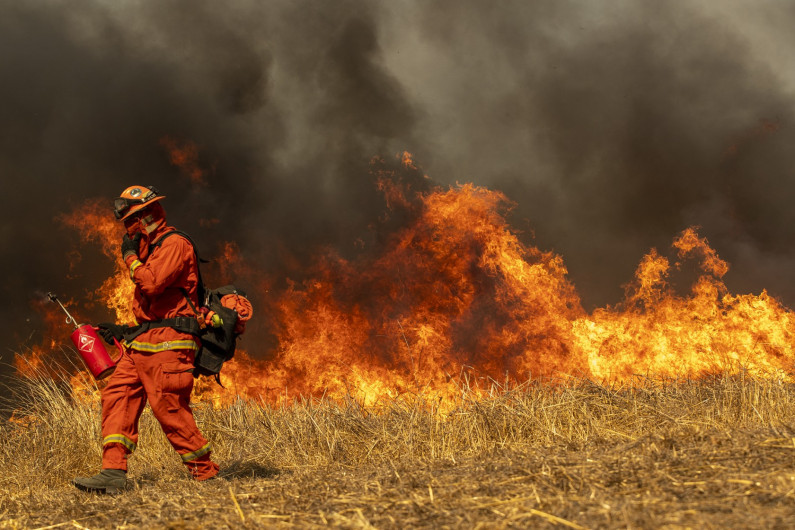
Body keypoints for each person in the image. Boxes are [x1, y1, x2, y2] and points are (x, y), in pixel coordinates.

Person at [73, 185, 219, 493]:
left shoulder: (174, 244)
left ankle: (205, 472)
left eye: (130, 221)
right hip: (144, 342)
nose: (127, 230)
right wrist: (124, 329)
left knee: (168, 406)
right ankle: (112, 472)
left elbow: (152, 284)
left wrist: (129, 257)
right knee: (117, 396)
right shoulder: (151, 249)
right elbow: (153, 308)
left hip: (170, 342)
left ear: (146, 218)